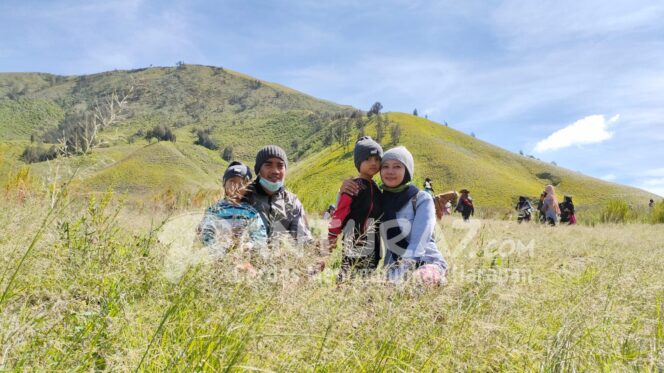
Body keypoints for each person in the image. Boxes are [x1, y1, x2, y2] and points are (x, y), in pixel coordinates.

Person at [380, 147, 448, 285]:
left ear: (407, 170)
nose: (390, 171)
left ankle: (437, 278)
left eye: (397, 166)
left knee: (417, 281)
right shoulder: (379, 200)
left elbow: (419, 242)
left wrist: (400, 274)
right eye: (385, 166)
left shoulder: (421, 198)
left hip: (426, 261)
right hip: (393, 267)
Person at [327, 136, 383, 281]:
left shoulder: (378, 190)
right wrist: (332, 235)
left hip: (374, 244)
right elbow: (340, 213)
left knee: (368, 275)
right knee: (347, 274)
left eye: (377, 159)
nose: (374, 163)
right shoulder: (353, 186)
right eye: (368, 159)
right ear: (359, 162)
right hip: (353, 241)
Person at [242, 145, 313, 243]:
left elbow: (303, 239)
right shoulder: (244, 196)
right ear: (258, 169)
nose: (275, 171)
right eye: (268, 165)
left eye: (280, 166)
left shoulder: (292, 202)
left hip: (281, 257)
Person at [197, 161, 267, 255]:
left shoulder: (251, 212)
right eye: (232, 181)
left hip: (243, 256)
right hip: (217, 257)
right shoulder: (214, 210)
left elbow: (260, 234)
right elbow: (206, 233)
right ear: (224, 184)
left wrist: (250, 245)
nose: (237, 186)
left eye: (242, 183)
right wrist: (217, 249)